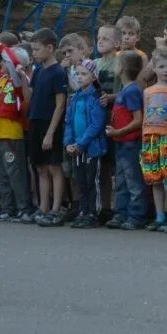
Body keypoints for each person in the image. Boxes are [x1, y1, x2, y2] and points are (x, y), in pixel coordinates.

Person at [0, 44, 33, 221]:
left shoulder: (18, 81)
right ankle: (7, 207)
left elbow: (10, 60)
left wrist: (3, 46)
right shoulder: (0, 79)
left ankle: (23, 208)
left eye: (4, 60)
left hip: (10, 134)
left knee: (15, 173)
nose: (0, 63)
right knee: (2, 174)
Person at [27, 28, 68, 227]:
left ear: (50, 48)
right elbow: (33, 94)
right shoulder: (38, 71)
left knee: (54, 166)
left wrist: (50, 132)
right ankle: (43, 206)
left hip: (50, 124)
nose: (33, 53)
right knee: (40, 167)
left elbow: (60, 104)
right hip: (35, 122)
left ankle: (56, 208)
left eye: (36, 49)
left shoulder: (58, 72)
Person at [139, 47, 167, 231]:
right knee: (154, 178)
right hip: (150, 136)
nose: (165, 70)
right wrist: (144, 137)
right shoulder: (148, 91)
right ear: (154, 68)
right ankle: (159, 215)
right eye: (161, 66)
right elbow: (145, 115)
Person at [63, 59, 107, 229]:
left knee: (91, 181)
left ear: (93, 76)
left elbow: (96, 125)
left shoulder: (96, 97)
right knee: (79, 180)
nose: (79, 77)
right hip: (76, 148)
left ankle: (93, 213)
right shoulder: (75, 98)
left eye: (84, 74)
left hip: (91, 148)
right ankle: (83, 210)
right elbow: (69, 122)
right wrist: (69, 142)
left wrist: (81, 143)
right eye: (77, 74)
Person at [106, 51, 146, 229]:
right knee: (121, 179)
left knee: (133, 180)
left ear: (121, 68)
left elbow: (138, 120)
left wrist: (118, 131)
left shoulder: (133, 91)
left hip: (129, 142)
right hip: (121, 142)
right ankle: (121, 213)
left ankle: (136, 215)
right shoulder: (125, 89)